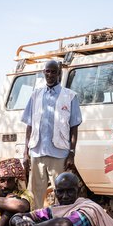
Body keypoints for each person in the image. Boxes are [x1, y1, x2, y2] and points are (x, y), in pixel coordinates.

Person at [22, 59, 82, 210]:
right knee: (35, 193)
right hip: (37, 151)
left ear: (59, 74)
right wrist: (26, 152)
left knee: (62, 193)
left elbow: (74, 127)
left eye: (53, 71)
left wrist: (71, 153)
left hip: (59, 153)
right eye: (47, 71)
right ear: (44, 73)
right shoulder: (35, 95)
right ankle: (35, 224)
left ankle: (58, 223)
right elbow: (29, 125)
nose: (50, 75)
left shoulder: (70, 96)